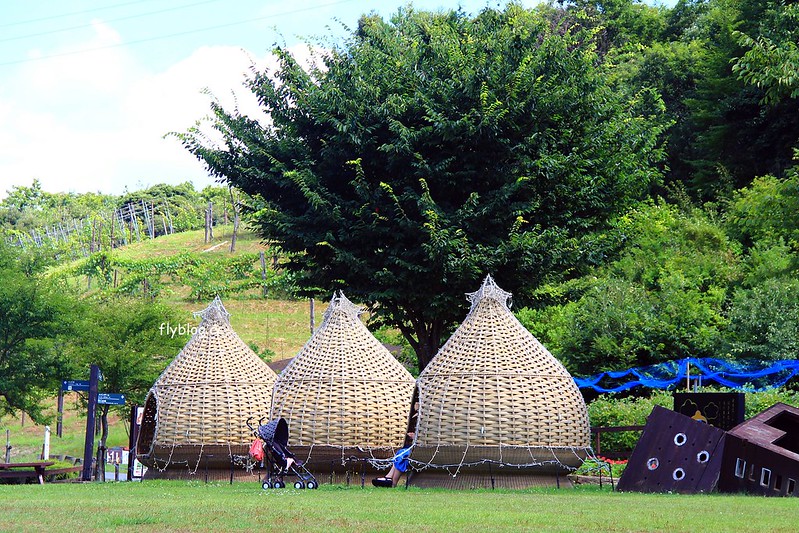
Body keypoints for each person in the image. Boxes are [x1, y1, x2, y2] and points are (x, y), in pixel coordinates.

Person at [373, 401, 419, 488]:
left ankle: (392, 482)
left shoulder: (426, 423)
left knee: (402, 455)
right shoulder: (420, 422)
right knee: (400, 453)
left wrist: (415, 437)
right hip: (414, 448)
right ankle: (389, 478)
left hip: (420, 450)